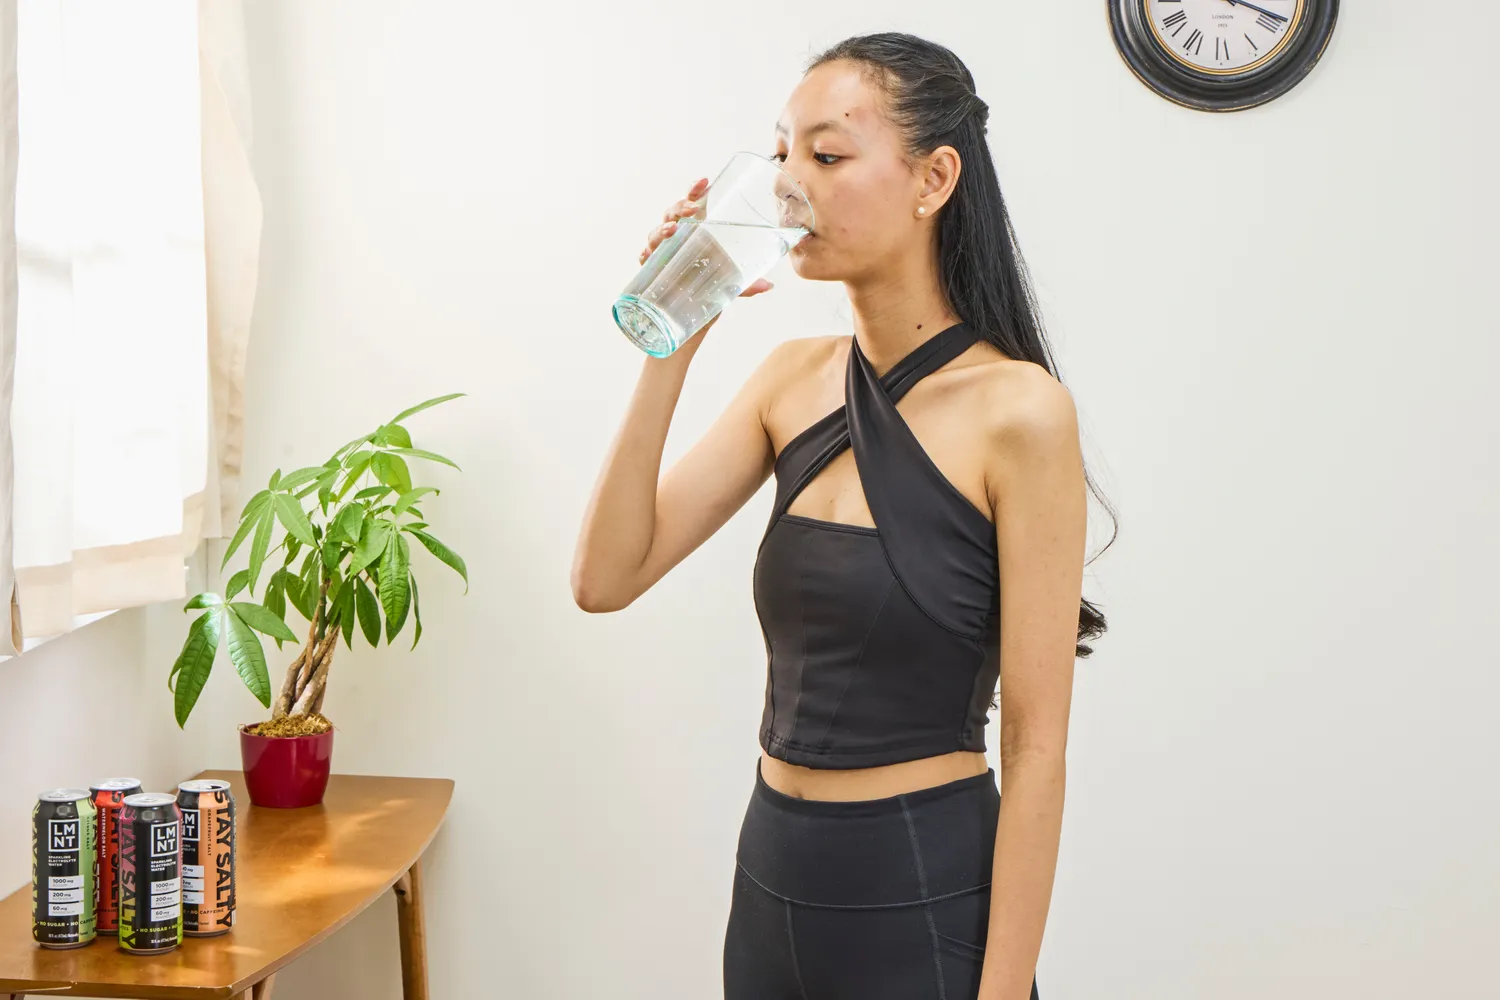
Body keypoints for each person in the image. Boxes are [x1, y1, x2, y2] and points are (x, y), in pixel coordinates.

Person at [572, 30, 1114, 1000]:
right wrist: (671, 351)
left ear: (933, 177)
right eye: (782, 152)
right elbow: (604, 579)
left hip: (924, 896)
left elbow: (1037, 749)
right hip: (770, 883)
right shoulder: (789, 384)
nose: (789, 183)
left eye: (825, 155)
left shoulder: (1022, 414)